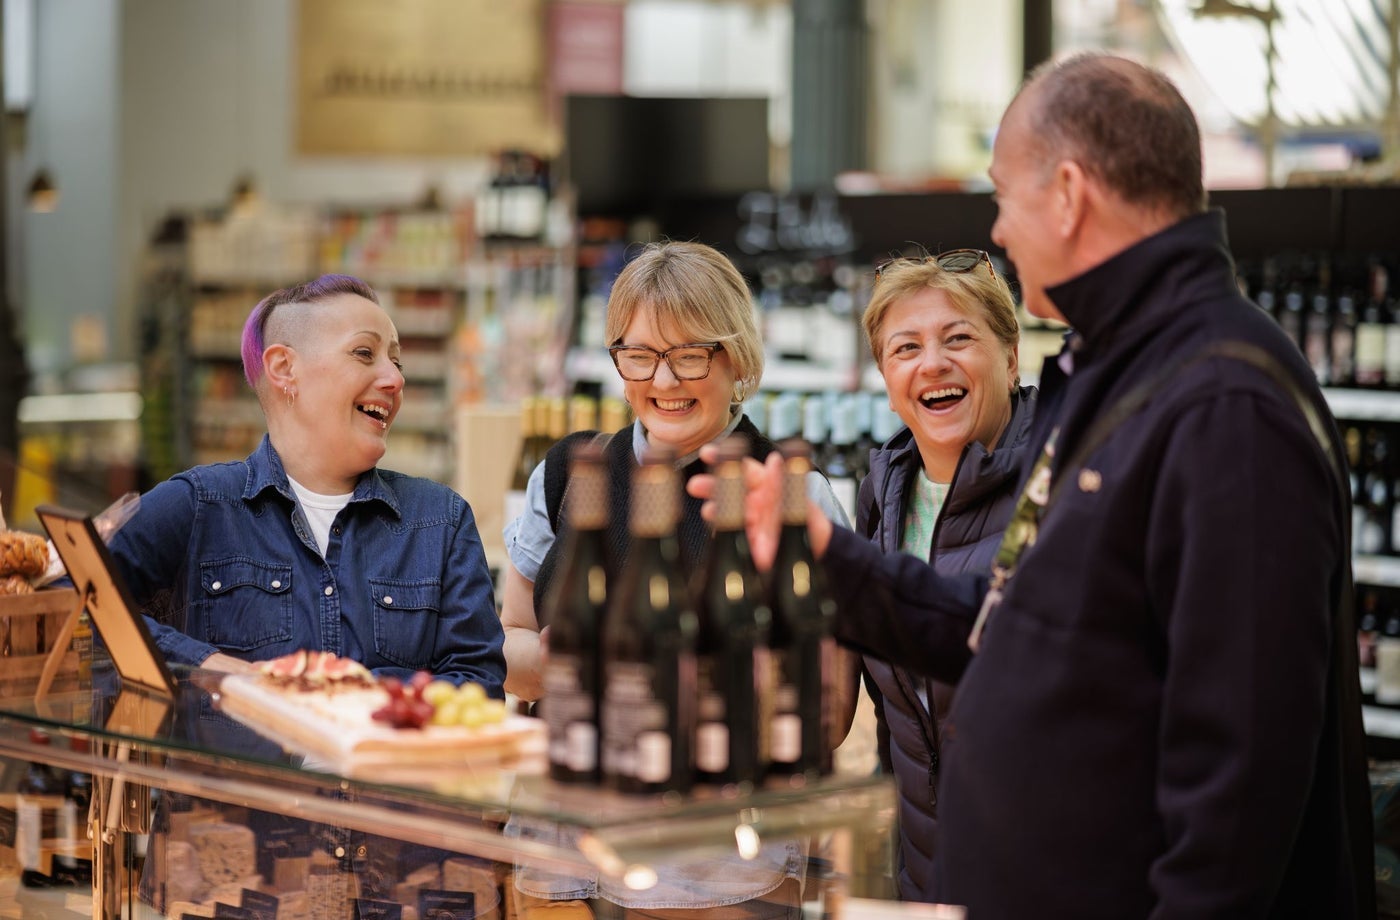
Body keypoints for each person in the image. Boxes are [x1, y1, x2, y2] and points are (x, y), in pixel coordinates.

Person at [699, 53, 1371, 918]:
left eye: (1004, 195)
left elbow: (1239, 785)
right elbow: (1007, 624)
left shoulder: (1221, 404)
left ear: (1068, 192)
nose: (1002, 230)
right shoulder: (1114, 374)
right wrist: (830, 560)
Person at [500, 240, 849, 919]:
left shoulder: (788, 494)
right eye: (637, 355)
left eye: (690, 354)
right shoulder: (572, 474)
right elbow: (509, 645)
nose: (662, 381)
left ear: (737, 357)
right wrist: (556, 664)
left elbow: (829, 715)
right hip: (563, 845)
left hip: (719, 859)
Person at [104, 273, 504, 693]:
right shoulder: (199, 505)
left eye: (397, 362)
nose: (395, 379)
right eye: (365, 353)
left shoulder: (441, 521)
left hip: (377, 760)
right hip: (233, 763)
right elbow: (74, 599)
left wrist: (357, 693)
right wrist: (205, 664)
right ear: (284, 369)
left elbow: (481, 684)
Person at [852, 250, 1037, 903]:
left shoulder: (1059, 488)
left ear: (1012, 358)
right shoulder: (880, 498)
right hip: (926, 884)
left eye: (958, 338)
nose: (932, 364)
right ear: (886, 376)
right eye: (905, 348)